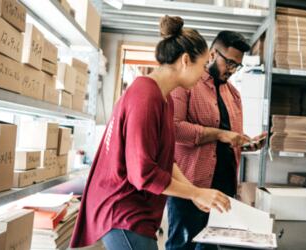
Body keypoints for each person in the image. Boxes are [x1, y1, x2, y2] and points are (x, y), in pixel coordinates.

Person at [70, 16, 231, 250]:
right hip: (122, 211)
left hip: (136, 212)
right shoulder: (145, 97)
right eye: (203, 65)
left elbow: (165, 161)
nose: (204, 74)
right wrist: (196, 192)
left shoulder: (164, 98)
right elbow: (142, 174)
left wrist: (195, 194)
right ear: (186, 60)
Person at [166, 31, 267, 250]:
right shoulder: (186, 85)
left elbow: (229, 141)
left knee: (211, 248)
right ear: (212, 54)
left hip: (223, 189)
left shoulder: (234, 94)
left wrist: (247, 144)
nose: (231, 70)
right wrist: (220, 134)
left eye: (236, 65)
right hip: (190, 187)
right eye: (229, 62)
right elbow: (173, 129)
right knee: (182, 246)